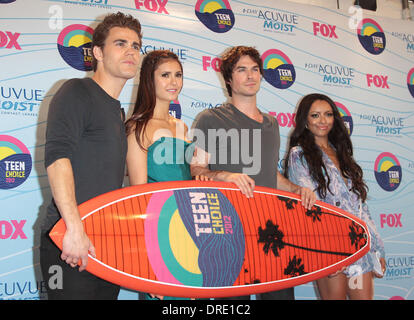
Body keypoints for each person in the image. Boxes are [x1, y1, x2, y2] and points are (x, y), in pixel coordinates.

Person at [190, 46, 316, 300]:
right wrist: (225, 175)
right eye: (241, 70)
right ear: (228, 79)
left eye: (255, 69)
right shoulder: (210, 119)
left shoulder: (272, 124)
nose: (250, 76)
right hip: (230, 233)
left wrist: (295, 189)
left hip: (273, 233)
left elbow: (270, 174)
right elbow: (197, 170)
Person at [40, 12, 142, 300]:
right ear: (98, 52)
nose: (131, 52)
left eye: (136, 45)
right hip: (66, 240)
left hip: (105, 243)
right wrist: (73, 229)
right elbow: (58, 158)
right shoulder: (77, 91)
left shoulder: (117, 112)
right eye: (120, 43)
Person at [284, 93, 386, 300]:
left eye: (328, 114)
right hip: (329, 246)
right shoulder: (299, 155)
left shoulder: (343, 154)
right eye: (315, 115)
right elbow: (311, 204)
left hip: (359, 245)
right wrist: (327, 250)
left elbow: (361, 207)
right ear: (305, 120)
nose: (323, 121)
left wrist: (376, 248)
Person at [126, 50, 203, 300]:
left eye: (178, 75)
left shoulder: (182, 126)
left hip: (190, 234)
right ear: (150, 79)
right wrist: (150, 265)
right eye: (165, 75)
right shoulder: (137, 128)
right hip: (157, 238)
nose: (174, 82)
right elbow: (137, 198)